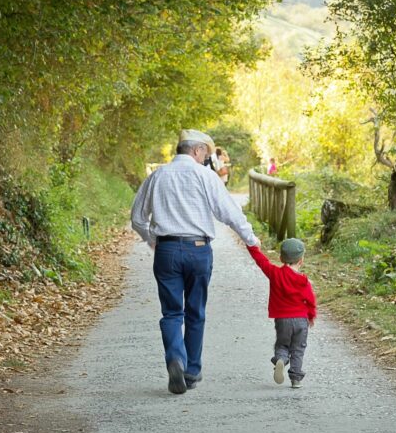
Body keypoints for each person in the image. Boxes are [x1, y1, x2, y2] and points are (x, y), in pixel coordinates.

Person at [131, 129, 260, 394]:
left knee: (171, 313)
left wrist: (152, 240)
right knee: (195, 311)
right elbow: (229, 213)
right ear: (197, 150)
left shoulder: (157, 176)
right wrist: (251, 239)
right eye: (206, 154)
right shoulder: (206, 176)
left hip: (167, 250)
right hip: (199, 250)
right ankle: (191, 371)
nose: (206, 159)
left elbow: (137, 218)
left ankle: (176, 359)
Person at [246, 238, 316, 388]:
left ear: (281, 258)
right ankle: (296, 379)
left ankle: (281, 360)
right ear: (301, 260)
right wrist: (311, 316)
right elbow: (310, 300)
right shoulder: (303, 280)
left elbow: (261, 261)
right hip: (301, 320)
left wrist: (251, 245)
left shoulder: (274, 273)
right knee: (298, 348)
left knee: (282, 345)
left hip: (282, 320)